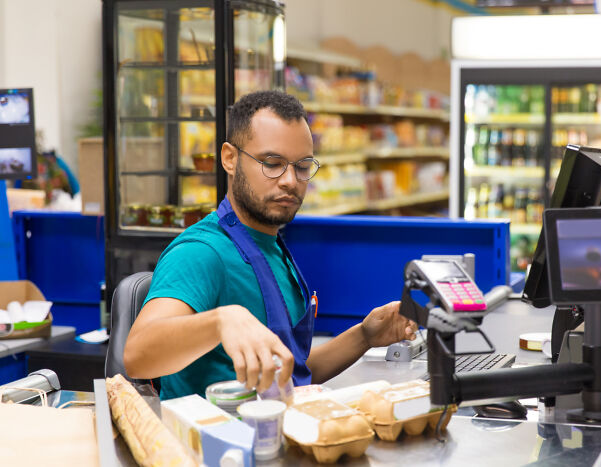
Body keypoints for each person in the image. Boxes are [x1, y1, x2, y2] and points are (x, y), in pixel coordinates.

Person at [123, 90, 417, 400]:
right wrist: (221, 321)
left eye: (302, 166)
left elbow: (292, 372)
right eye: (272, 163)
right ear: (230, 158)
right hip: (214, 445)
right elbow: (137, 354)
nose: (290, 180)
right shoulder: (202, 253)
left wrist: (364, 336)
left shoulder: (272, 247)